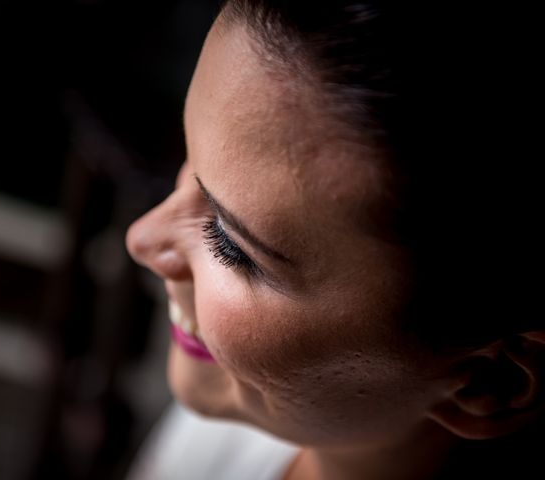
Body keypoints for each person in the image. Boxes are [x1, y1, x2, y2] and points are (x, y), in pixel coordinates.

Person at [125, 1, 543, 479]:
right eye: (191, 156)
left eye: (229, 244)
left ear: (492, 382)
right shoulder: (253, 409)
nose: (142, 237)